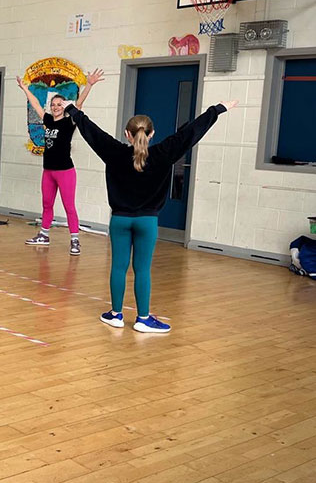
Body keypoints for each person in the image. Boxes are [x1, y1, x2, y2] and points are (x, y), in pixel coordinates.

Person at [65, 99, 238, 333]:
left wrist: (72, 110)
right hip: (147, 222)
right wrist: (217, 110)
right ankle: (143, 319)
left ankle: (115, 315)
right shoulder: (164, 153)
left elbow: (91, 131)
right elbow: (189, 134)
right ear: (152, 133)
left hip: (120, 220)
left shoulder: (114, 152)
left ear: (127, 134)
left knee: (118, 266)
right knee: (142, 269)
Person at [18, 69, 104, 255]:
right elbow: (35, 105)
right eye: (54, 104)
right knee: (47, 204)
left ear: (64, 106)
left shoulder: (69, 122)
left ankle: (75, 240)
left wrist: (89, 85)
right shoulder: (48, 120)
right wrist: (25, 89)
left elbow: (79, 104)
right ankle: (44, 234)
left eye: (60, 104)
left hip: (65, 171)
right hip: (48, 171)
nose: (56, 107)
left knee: (68, 206)